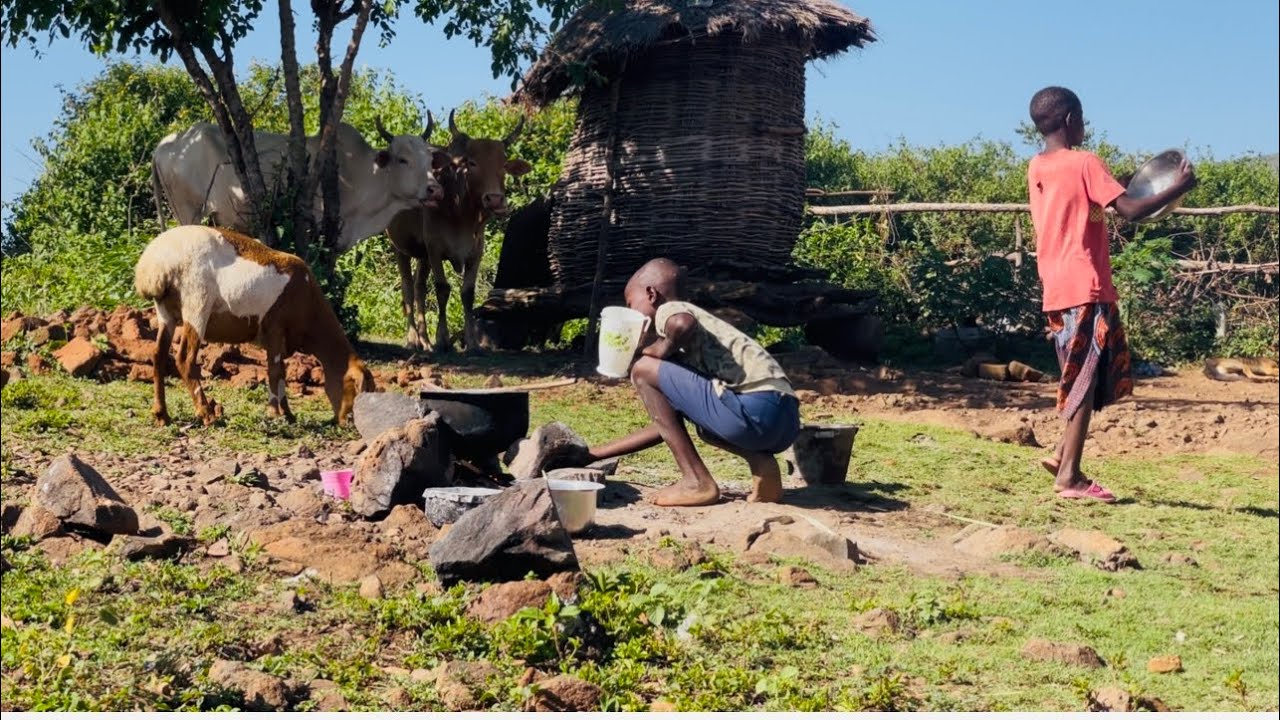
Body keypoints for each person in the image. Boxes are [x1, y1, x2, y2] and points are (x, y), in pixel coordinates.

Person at [1026, 86, 1196, 502]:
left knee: (1082, 373)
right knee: (1085, 380)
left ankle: (1061, 453)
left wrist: (1119, 184)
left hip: (1057, 287)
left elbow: (1095, 200)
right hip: (1086, 286)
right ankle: (1070, 477)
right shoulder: (1084, 162)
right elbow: (1133, 212)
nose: (1085, 125)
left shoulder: (1038, 166)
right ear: (1070, 119)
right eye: (1082, 117)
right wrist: (1181, 186)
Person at [587, 258, 801, 507]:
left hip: (754, 410)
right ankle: (761, 463)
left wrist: (659, 348)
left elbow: (681, 324)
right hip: (784, 421)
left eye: (631, 304)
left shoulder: (671, 310)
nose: (630, 311)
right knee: (702, 424)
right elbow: (667, 426)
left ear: (651, 294)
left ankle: (696, 482)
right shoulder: (695, 351)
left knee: (642, 369)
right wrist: (593, 455)